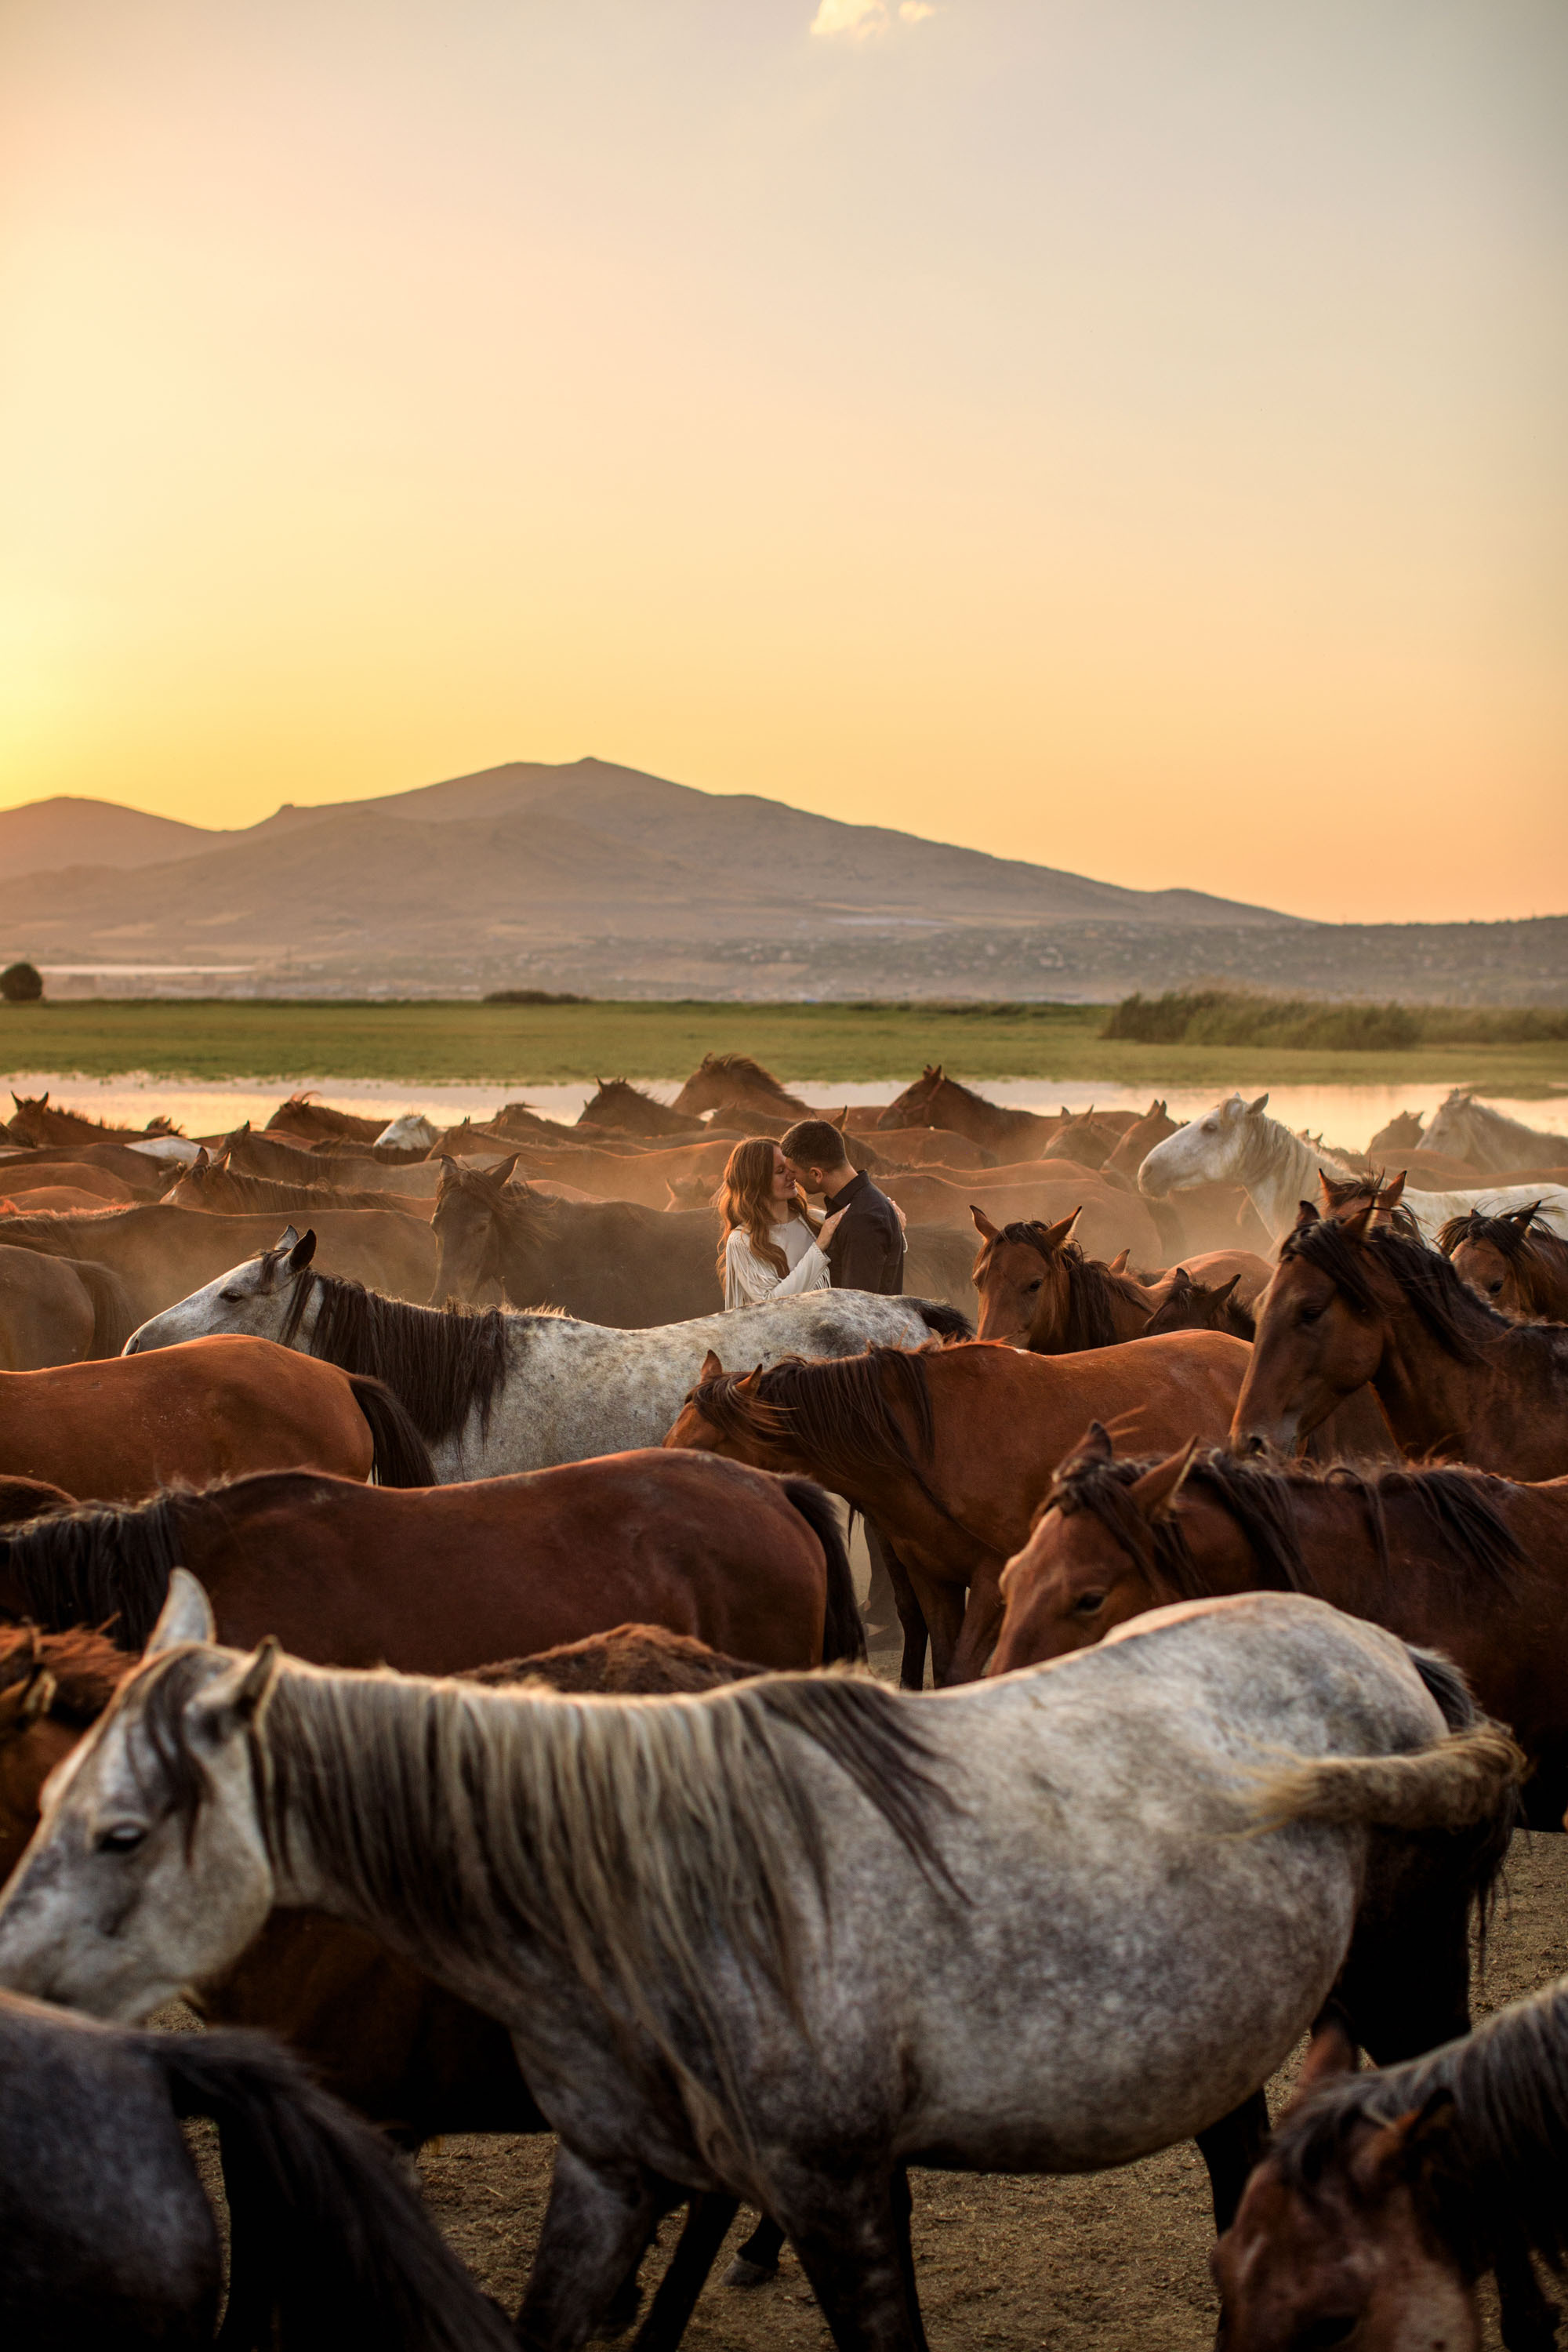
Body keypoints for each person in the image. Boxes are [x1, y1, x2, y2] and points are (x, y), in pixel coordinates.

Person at [716, 1137, 848, 1310]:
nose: (791, 1175)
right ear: (756, 1180)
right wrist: (819, 1247)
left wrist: (894, 1226)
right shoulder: (741, 1241)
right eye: (780, 1171)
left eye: (790, 1168)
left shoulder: (818, 1220)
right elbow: (771, 1304)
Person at [780, 1118, 905, 1297]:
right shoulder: (861, 1203)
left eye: (794, 1172)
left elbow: (856, 1305)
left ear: (816, 1174)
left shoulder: (861, 1218)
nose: (791, 1179)